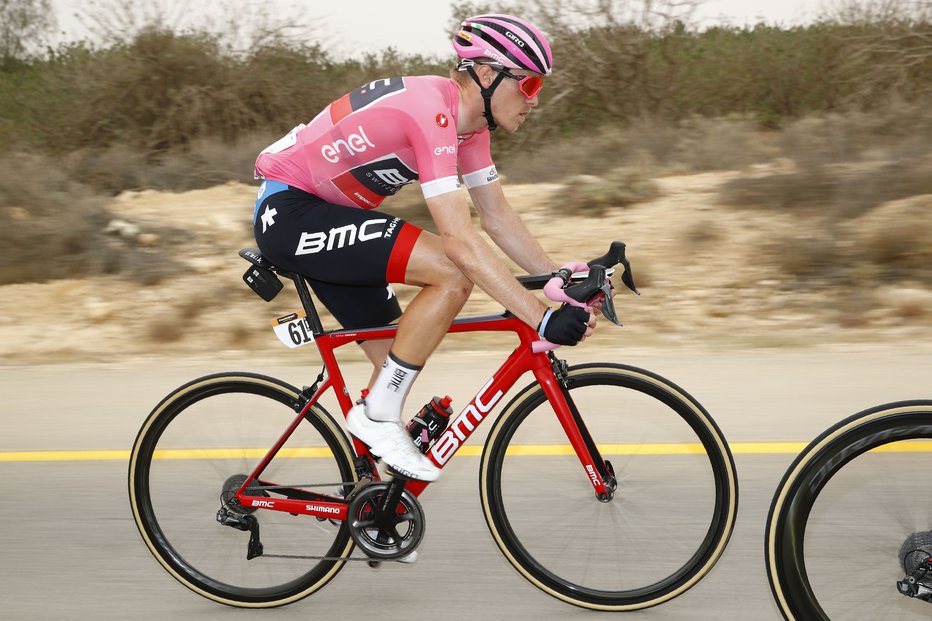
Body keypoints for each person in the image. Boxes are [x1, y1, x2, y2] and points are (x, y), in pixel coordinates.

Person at [252, 14, 596, 483]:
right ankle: (377, 418)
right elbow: (460, 241)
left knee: (400, 353)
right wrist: (539, 316)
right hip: (291, 212)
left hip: (329, 220)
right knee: (453, 273)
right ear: (489, 74)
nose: (535, 99)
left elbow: (496, 218)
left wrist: (558, 279)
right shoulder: (430, 111)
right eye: (530, 84)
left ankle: (373, 506)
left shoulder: (471, 129)